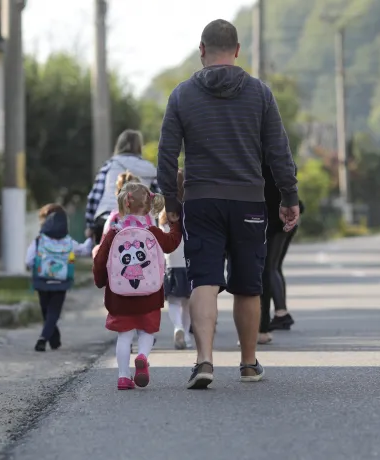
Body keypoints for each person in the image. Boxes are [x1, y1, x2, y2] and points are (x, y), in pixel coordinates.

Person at [157, 19, 299, 389]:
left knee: (203, 280)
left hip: (202, 201)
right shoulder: (260, 93)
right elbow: (278, 151)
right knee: (248, 286)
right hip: (249, 202)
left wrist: (171, 201)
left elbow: (167, 155)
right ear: (237, 51)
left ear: (202, 49)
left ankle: (204, 360)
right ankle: (249, 363)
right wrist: (288, 196)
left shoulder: (182, 95)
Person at [92, 182, 182, 390]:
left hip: (120, 295)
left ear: (123, 205)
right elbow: (171, 244)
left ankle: (123, 377)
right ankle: (142, 356)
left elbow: (100, 261)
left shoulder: (114, 232)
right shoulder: (152, 231)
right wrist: (176, 225)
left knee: (124, 336)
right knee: (146, 332)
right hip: (149, 294)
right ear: (149, 206)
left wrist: (100, 281)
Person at [25, 204, 94, 352]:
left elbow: (29, 260)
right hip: (61, 281)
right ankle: (52, 339)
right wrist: (90, 238)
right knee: (54, 311)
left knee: (46, 311)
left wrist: (34, 268)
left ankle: (44, 338)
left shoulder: (39, 240)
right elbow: (84, 250)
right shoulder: (68, 241)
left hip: (42, 280)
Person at [86, 129, 159, 245]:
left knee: (105, 260)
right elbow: (158, 197)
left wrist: (90, 225)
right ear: (139, 146)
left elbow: (94, 196)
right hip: (139, 223)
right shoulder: (150, 168)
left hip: (106, 219)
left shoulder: (109, 165)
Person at [259, 164, 304, 343]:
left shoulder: (262, 156)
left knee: (269, 268)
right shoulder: (277, 156)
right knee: (273, 267)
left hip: (275, 219)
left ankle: (277, 315)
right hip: (281, 215)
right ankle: (280, 312)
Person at [160, 169, 192, 350]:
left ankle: (177, 327)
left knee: (173, 302)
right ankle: (186, 335)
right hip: (188, 263)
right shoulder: (190, 209)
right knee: (187, 304)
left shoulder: (164, 214)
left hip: (171, 264)